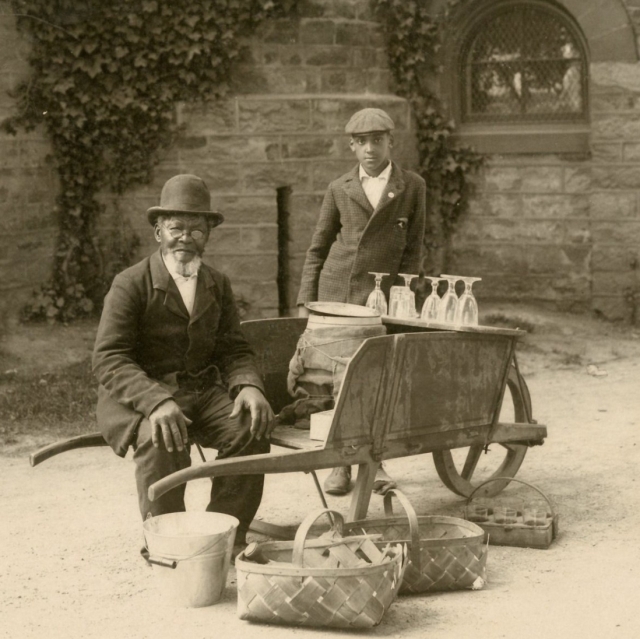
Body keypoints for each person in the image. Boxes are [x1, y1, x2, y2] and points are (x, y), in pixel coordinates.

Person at [92, 174, 274, 556]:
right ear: (158, 232)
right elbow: (109, 357)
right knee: (162, 439)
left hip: (200, 390)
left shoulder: (216, 283)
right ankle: (168, 545)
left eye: (196, 229)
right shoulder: (130, 284)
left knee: (251, 426)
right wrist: (156, 402)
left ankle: (224, 537)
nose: (185, 238)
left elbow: (234, 349)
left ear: (209, 234)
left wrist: (248, 386)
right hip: (143, 395)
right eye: (176, 228)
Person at [296, 107, 427, 495]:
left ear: (391, 142)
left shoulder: (412, 186)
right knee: (338, 378)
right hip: (338, 293)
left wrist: (404, 297)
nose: (370, 149)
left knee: (377, 377)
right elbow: (318, 248)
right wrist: (307, 299)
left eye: (377, 140)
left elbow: (414, 249)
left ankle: (375, 460)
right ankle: (341, 463)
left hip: (381, 296)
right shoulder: (340, 188)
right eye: (362, 142)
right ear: (352, 147)